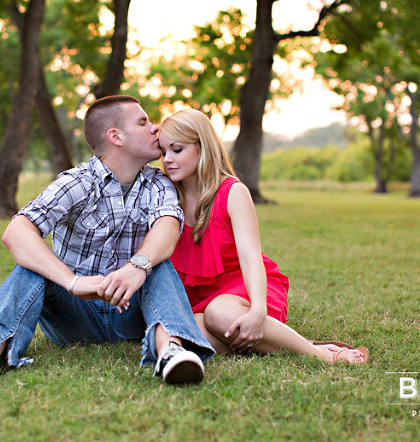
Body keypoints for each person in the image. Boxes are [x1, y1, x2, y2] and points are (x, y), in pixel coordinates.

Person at [0, 96, 214, 384]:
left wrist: (137, 266)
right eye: (143, 122)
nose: (155, 128)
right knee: (32, 266)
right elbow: (16, 232)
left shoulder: (157, 182)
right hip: (74, 316)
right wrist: (73, 282)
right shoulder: (77, 182)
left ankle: (171, 351)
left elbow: (168, 227)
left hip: (132, 312)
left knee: (156, 263)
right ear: (116, 137)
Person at [158, 108, 368, 364]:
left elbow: (251, 258)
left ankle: (322, 355)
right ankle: (289, 342)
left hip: (246, 292)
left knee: (219, 314)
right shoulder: (167, 196)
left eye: (177, 150)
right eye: (163, 152)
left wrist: (258, 311)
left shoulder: (232, 192)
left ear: (203, 147)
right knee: (183, 338)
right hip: (199, 299)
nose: (167, 159)